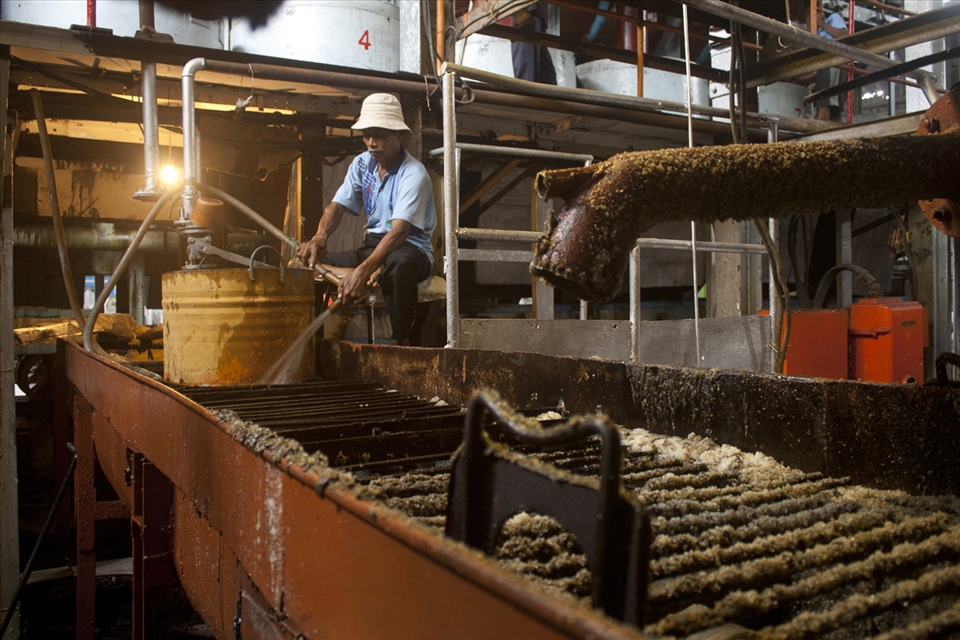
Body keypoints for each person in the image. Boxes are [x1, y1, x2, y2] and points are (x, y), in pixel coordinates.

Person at [296, 93, 436, 346]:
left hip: (410, 249)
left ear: (399, 135)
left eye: (379, 135)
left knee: (398, 266)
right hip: (373, 245)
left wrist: (363, 271)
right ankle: (313, 344)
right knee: (309, 261)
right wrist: (319, 237)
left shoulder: (413, 173)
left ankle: (402, 342)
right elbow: (337, 207)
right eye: (367, 135)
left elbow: (399, 233)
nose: (371, 143)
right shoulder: (362, 164)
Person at [813, 6, 849, 121]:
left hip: (830, 64)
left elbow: (844, 35)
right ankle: (837, 129)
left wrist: (822, 24)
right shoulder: (816, 31)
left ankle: (817, 129)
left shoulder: (833, 18)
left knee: (824, 106)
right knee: (835, 112)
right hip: (826, 67)